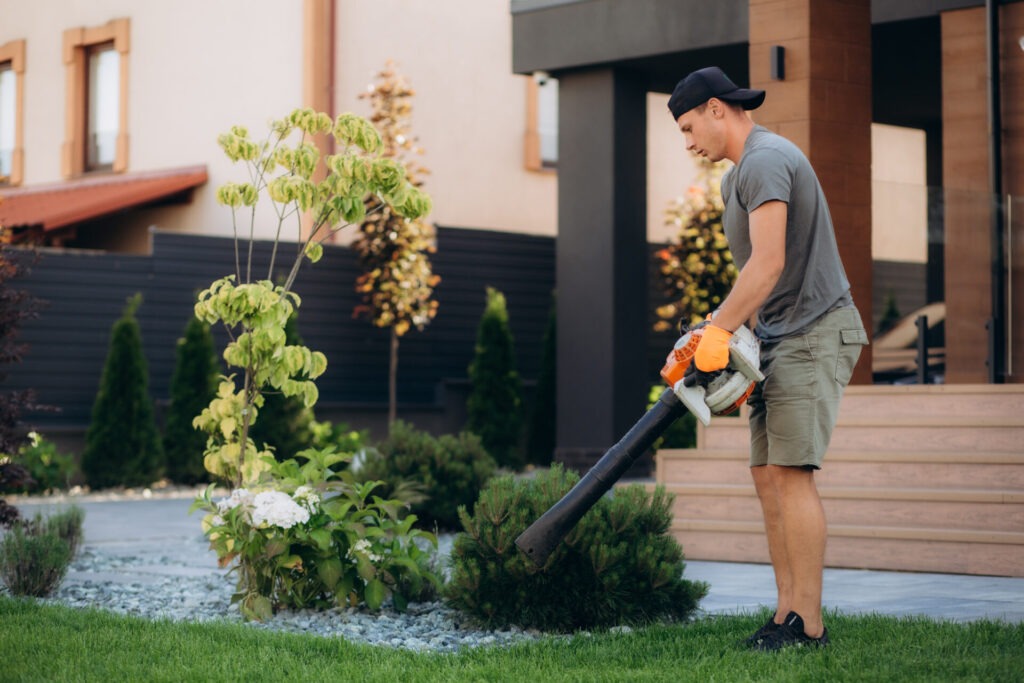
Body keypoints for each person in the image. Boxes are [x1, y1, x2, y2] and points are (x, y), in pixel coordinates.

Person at [667, 66, 868, 651]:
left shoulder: (765, 159)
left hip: (815, 330)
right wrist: (730, 346)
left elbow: (769, 263)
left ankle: (809, 625)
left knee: (791, 473)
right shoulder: (736, 181)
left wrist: (718, 328)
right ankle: (785, 614)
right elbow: (753, 284)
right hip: (778, 337)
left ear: (714, 109)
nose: (688, 143)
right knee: (765, 476)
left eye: (687, 128)